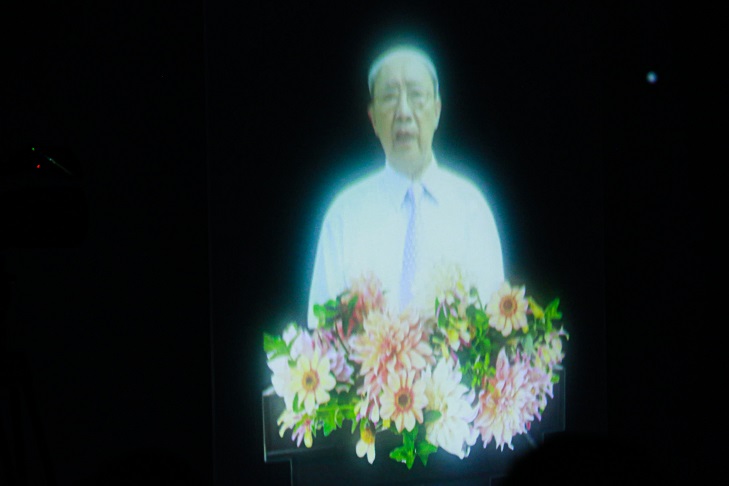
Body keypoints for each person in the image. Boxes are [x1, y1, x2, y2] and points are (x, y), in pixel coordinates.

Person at [308, 45, 504, 328]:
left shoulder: (471, 209)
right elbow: (320, 331)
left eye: (416, 95)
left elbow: (495, 327)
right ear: (373, 119)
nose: (403, 112)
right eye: (389, 97)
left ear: (436, 111)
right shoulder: (344, 214)